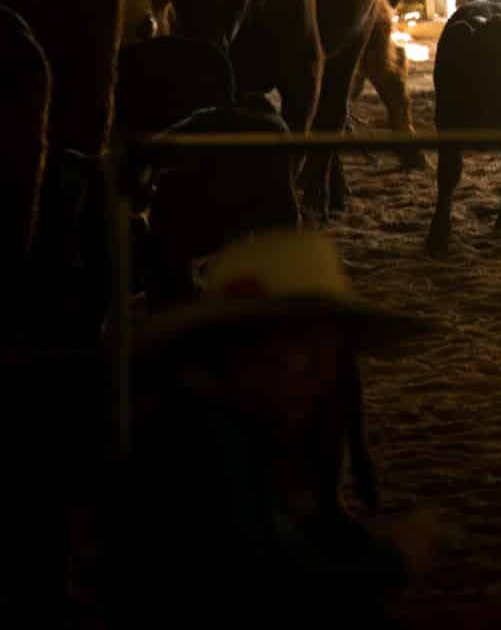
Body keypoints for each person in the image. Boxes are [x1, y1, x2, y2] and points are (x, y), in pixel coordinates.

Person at [104, 227, 450, 627]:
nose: (322, 377)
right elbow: (278, 583)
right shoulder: (198, 442)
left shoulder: (223, 426)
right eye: (308, 351)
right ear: (250, 351)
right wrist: (393, 559)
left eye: (330, 354)